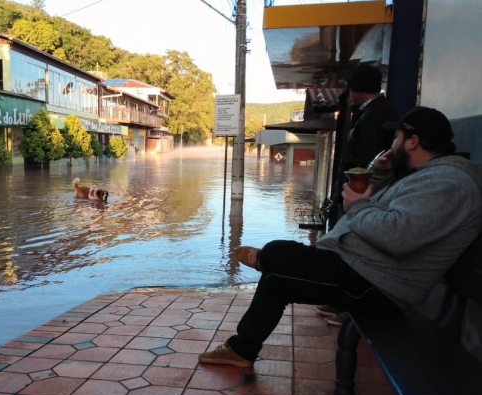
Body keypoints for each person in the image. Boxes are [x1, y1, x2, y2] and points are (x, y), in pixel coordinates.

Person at [199, 107, 482, 368]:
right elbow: (389, 211)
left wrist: (356, 206)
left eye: (396, 137)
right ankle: (241, 350)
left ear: (412, 141)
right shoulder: (427, 176)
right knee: (277, 277)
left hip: (377, 287)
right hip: (364, 272)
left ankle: (262, 259)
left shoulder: (447, 183)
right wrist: (381, 175)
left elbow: (397, 236)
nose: (392, 143)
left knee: (277, 254)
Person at [321, 65, 400, 326]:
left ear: (355, 90)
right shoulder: (381, 113)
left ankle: (349, 305)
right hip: (362, 195)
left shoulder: (373, 117)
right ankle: (340, 300)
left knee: (351, 246)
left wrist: (353, 196)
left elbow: (363, 164)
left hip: (361, 196)